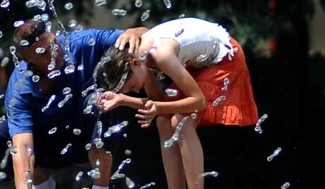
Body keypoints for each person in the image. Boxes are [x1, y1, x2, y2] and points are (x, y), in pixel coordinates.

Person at [94, 17, 259, 189]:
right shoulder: (139, 55)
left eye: (133, 86)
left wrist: (158, 107)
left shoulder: (162, 55)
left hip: (225, 58)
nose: (136, 91)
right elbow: (158, 103)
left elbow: (198, 102)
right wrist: (122, 100)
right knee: (163, 122)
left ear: (134, 63)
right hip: (199, 63)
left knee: (181, 121)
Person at [0, 18, 147, 189]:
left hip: (86, 140)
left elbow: (147, 35)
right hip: (47, 151)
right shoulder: (21, 88)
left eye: (54, 44)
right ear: (26, 59)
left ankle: (100, 187)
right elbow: (22, 147)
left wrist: (133, 32)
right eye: (44, 53)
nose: (55, 54)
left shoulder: (83, 42)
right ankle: (46, 186)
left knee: (99, 99)